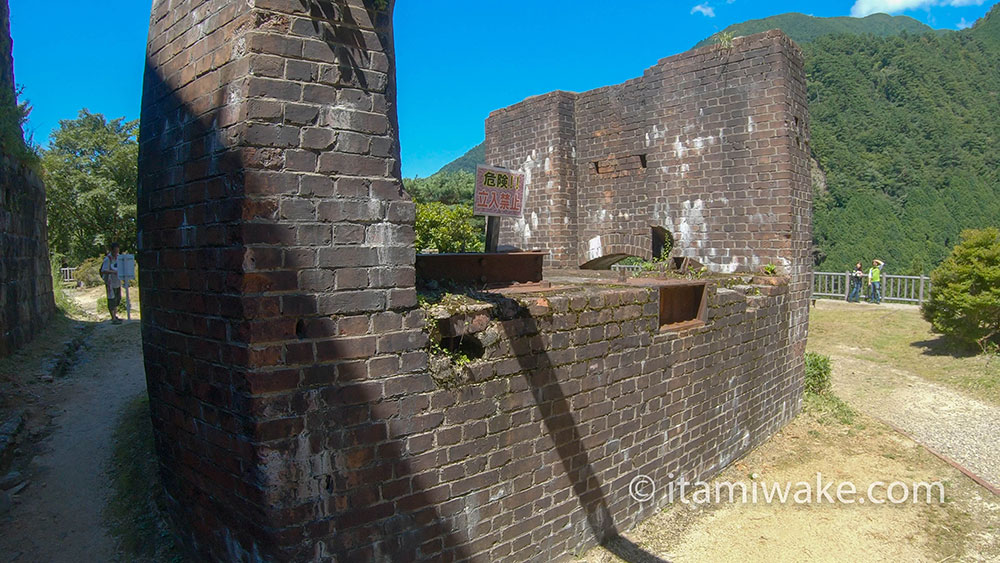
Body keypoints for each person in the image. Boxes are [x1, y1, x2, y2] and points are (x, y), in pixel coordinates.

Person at [101, 242, 123, 323]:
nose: (116, 253)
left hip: (117, 281)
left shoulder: (119, 258)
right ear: (112, 250)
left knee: (118, 298)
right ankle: (113, 317)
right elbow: (104, 270)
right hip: (110, 282)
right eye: (115, 251)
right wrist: (113, 272)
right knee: (112, 299)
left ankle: (115, 316)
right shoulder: (108, 259)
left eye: (117, 251)